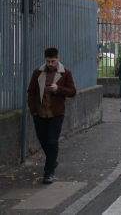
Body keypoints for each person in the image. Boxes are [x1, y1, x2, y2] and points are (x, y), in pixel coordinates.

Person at [27, 47, 77, 184]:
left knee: (52, 141)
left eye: (53, 61)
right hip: (40, 113)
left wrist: (58, 89)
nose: (50, 64)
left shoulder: (65, 73)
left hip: (56, 113)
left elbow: (72, 91)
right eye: (48, 61)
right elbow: (31, 92)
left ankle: (48, 173)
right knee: (43, 140)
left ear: (58, 59)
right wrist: (33, 111)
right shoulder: (37, 73)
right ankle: (52, 161)